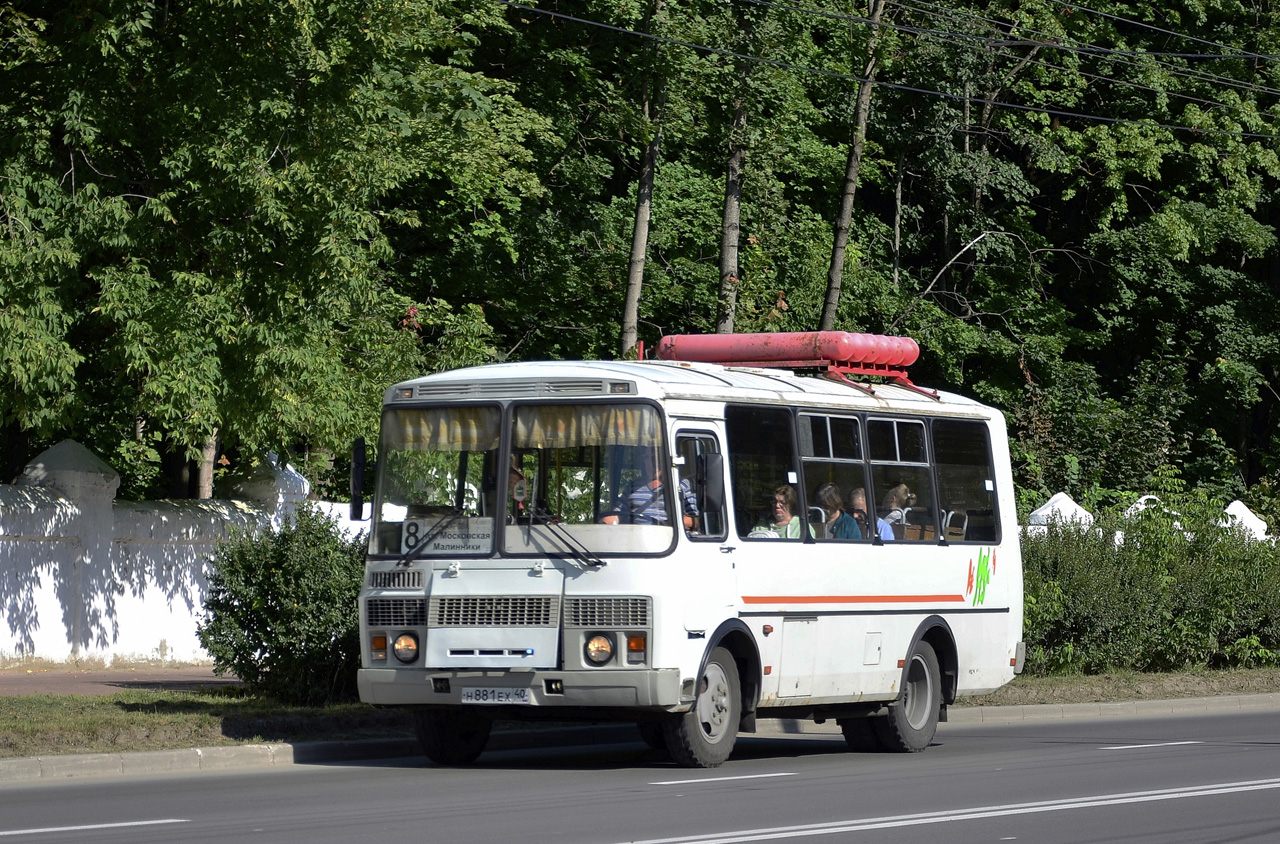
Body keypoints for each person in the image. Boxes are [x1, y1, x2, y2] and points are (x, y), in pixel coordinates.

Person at [602, 448, 698, 528]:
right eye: (649, 458)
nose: (654, 462)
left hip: (670, 542)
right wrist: (604, 522)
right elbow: (619, 515)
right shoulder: (634, 486)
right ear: (644, 460)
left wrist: (665, 525)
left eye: (656, 458)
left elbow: (694, 521)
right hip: (636, 540)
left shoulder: (681, 484)